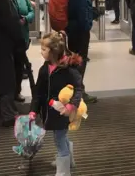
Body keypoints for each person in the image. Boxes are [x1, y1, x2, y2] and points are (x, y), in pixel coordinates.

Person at [29, 31, 84, 175]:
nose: (41, 52)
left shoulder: (68, 70)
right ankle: (68, 159)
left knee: (59, 139)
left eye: (44, 49)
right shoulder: (44, 69)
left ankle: (63, 172)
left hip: (63, 112)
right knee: (61, 136)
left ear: (53, 52)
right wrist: (33, 110)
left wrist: (71, 106)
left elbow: (79, 88)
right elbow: (38, 92)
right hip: (49, 112)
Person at [66, 0, 97, 104]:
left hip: (73, 26)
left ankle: (74, 91)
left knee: (74, 60)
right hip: (79, 28)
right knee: (79, 61)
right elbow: (80, 7)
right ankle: (77, 93)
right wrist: (87, 24)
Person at [5, 0, 35, 102]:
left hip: (21, 37)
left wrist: (26, 19)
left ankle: (17, 92)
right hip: (6, 39)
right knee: (7, 68)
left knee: (18, 67)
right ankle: (7, 96)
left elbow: (31, 11)